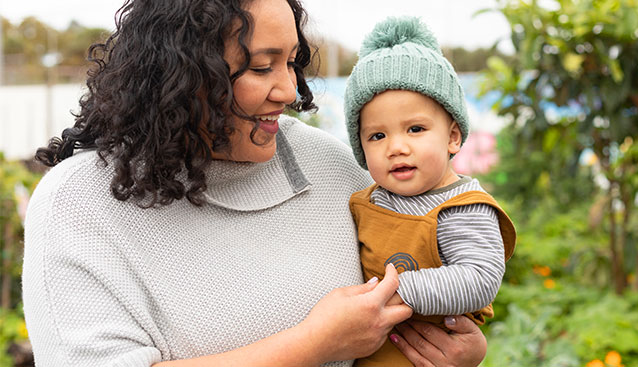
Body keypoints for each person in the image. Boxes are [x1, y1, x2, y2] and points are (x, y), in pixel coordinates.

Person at [22, 1, 488, 366]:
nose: (289, 90)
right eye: (263, 67)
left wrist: (454, 352)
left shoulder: (327, 166)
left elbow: (426, 272)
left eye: (291, 62)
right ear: (184, 74)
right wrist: (311, 345)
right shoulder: (80, 203)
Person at [342, 17, 517, 367]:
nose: (396, 147)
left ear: (453, 137)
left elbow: (479, 279)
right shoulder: (369, 200)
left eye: (416, 129)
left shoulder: (462, 207)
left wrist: (396, 293)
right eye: (377, 136)